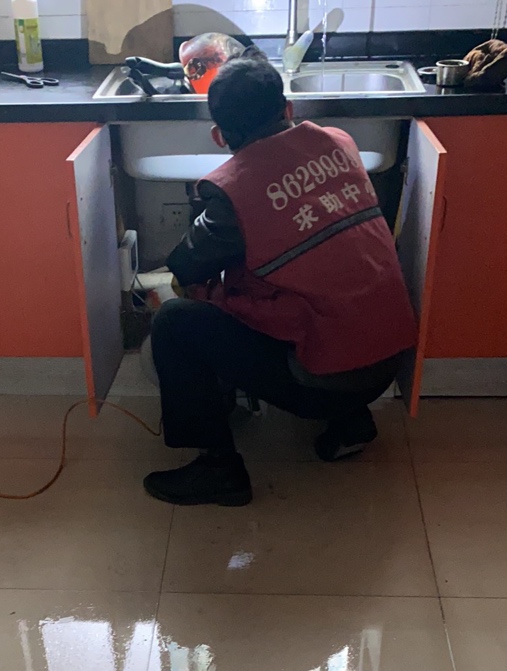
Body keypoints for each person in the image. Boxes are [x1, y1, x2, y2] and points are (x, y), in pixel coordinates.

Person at [143, 50, 417, 507]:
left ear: (218, 135)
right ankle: (351, 421)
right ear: (288, 109)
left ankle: (219, 469)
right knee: (323, 285)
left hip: (323, 381)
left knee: (175, 322)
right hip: (389, 361)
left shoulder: (235, 190)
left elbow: (187, 267)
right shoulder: (339, 142)